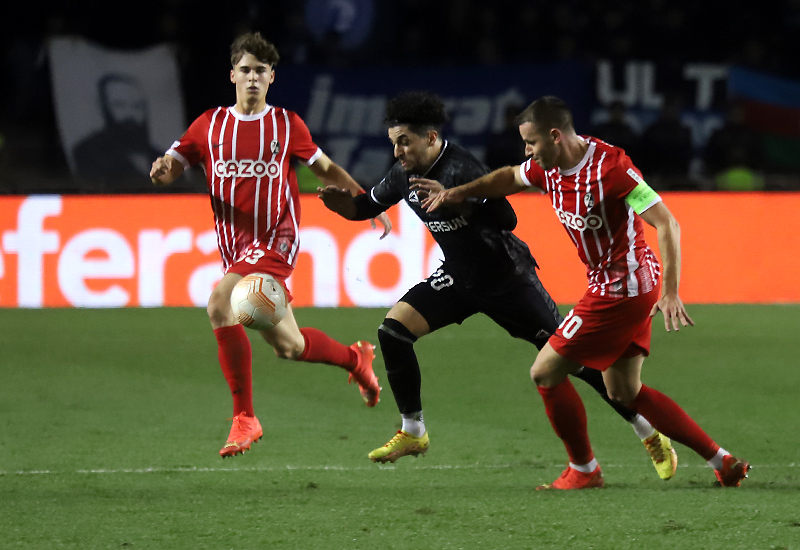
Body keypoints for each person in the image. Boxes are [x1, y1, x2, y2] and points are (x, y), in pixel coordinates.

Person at [319, 91, 678, 480]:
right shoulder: (401, 175)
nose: (397, 152)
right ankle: (413, 431)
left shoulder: (460, 167)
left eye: (404, 142)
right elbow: (366, 206)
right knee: (393, 332)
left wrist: (459, 203)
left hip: (508, 279)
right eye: (394, 143)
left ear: (431, 137)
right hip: (459, 279)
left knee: (574, 363)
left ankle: (647, 431)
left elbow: (507, 218)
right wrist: (345, 207)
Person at [416, 95, 750, 489]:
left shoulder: (613, 169)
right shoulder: (549, 167)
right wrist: (460, 192)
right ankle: (723, 461)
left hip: (620, 288)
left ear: (555, 136)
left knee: (545, 372)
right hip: (624, 286)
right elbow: (510, 177)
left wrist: (672, 292)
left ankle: (584, 469)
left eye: (531, 143)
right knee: (623, 391)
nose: (527, 152)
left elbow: (667, 223)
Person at [149, 31, 391, 458]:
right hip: (236, 248)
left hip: (277, 238)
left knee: (220, 304)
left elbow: (325, 167)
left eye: (261, 71)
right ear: (232, 75)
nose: (252, 78)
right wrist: (161, 169)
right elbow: (172, 168)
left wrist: (365, 201)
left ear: (272, 77)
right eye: (245, 70)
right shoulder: (208, 125)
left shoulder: (287, 124)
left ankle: (245, 417)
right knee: (289, 346)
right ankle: (357, 359)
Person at [73, 73, 166, 191]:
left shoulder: (160, 157)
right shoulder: (87, 152)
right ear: (103, 106)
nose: (130, 114)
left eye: (137, 106)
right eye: (120, 105)